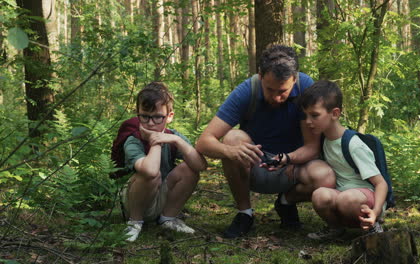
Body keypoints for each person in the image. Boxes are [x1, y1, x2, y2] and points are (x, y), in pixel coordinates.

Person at [196, 45, 335, 238]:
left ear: (295, 79)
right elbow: (203, 141)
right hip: (254, 165)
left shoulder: (306, 89)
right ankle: (244, 213)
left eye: (283, 91)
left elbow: (312, 146)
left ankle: (286, 203)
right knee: (232, 139)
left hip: (293, 165)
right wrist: (231, 152)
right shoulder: (246, 91)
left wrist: (289, 158)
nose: (277, 98)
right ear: (260, 75)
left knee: (325, 176)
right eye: (270, 90)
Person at [297, 80, 388, 240]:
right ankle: (336, 229)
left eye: (315, 115)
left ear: (335, 113)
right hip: (343, 195)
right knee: (319, 195)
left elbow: (381, 183)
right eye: (306, 115)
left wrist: (376, 211)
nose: (308, 121)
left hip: (364, 198)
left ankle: (373, 227)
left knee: (347, 199)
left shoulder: (353, 144)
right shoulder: (324, 140)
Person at [121, 82, 207, 242]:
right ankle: (134, 223)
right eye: (145, 116)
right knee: (150, 175)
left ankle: (168, 218)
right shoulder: (133, 141)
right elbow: (150, 171)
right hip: (136, 202)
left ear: (169, 117)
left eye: (157, 117)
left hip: (163, 198)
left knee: (189, 169)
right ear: (137, 114)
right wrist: (156, 141)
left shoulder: (173, 137)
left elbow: (201, 166)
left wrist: (176, 140)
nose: (151, 123)